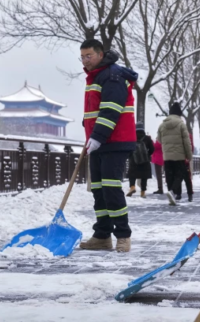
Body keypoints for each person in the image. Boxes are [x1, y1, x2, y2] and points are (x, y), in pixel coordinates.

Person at [79, 39, 138, 253]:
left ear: (100, 54)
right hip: (99, 141)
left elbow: (111, 110)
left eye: (89, 56)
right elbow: (93, 111)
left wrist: (97, 136)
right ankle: (102, 235)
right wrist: (90, 134)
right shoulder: (96, 77)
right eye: (82, 57)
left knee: (111, 188)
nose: (85, 61)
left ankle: (123, 235)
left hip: (115, 141)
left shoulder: (113, 76)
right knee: (98, 190)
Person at [157, 102, 193, 205]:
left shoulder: (162, 124)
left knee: (169, 175)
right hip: (179, 155)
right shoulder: (181, 124)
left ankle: (170, 193)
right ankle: (172, 191)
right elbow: (186, 141)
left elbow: (159, 139)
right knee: (179, 174)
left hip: (167, 155)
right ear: (179, 113)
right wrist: (189, 155)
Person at [127, 122, 154, 198]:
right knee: (144, 176)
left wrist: (131, 156)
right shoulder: (147, 138)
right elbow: (152, 149)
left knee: (132, 175)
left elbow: (128, 148)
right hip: (145, 161)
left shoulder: (132, 137)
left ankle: (132, 187)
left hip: (134, 160)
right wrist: (147, 155)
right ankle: (143, 192)